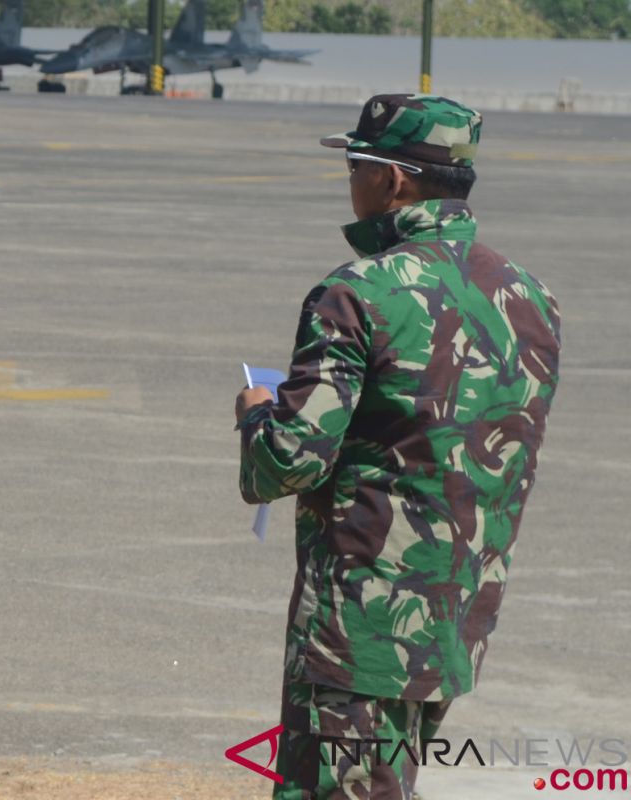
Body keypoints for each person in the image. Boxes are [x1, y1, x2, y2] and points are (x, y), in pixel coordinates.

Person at [234, 95, 562, 800]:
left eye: (356, 165)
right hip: (454, 614)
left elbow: (288, 460)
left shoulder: (357, 293)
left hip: (361, 627)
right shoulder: (530, 295)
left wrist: (256, 416)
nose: (349, 183)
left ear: (393, 180)